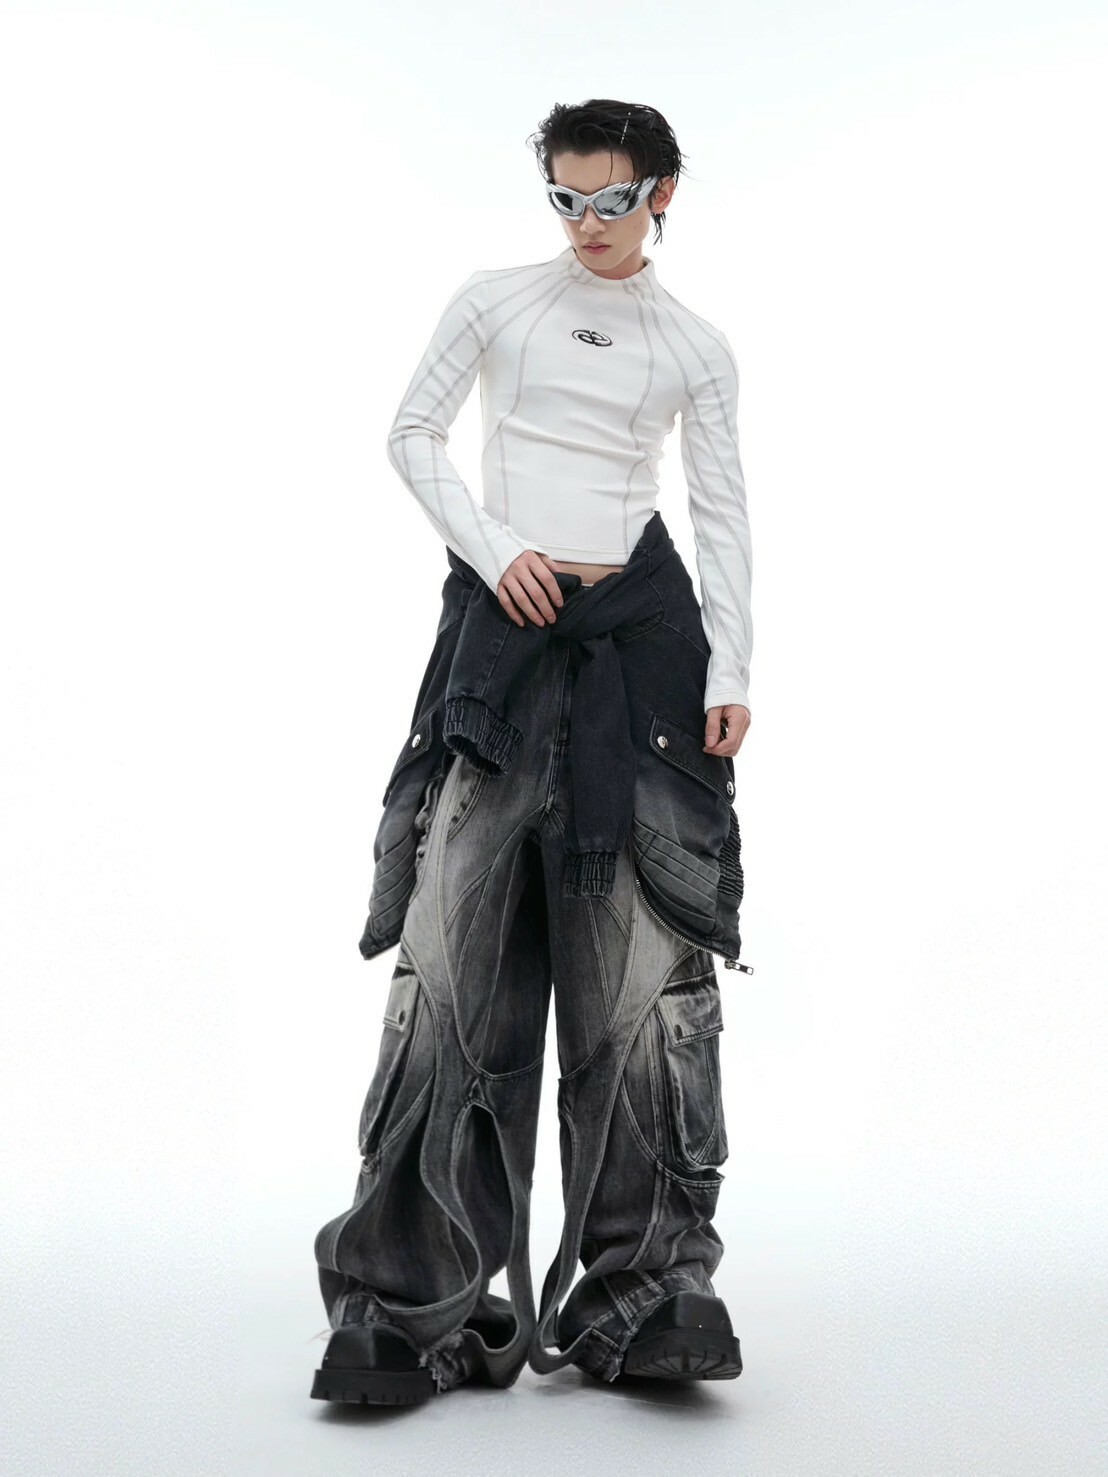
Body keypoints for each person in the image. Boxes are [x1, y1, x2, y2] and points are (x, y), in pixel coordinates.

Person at [310, 98, 754, 1407]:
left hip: (640, 670)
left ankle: (645, 1294)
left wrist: (733, 667)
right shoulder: (496, 300)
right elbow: (411, 433)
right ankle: (410, 1303)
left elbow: (720, 508)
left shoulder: (694, 344)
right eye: (566, 199)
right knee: (450, 966)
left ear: (661, 194)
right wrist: (495, 547)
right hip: (498, 662)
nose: (587, 224)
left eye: (611, 200)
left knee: (643, 985)